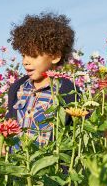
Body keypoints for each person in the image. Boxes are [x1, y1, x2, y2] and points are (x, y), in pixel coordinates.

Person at [5, 12, 78, 147]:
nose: (25, 62)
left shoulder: (69, 92)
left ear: (55, 56)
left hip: (49, 164)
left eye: (33, 55)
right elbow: (9, 121)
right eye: (23, 55)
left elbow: (76, 132)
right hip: (16, 163)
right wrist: (0, 143)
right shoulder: (17, 88)